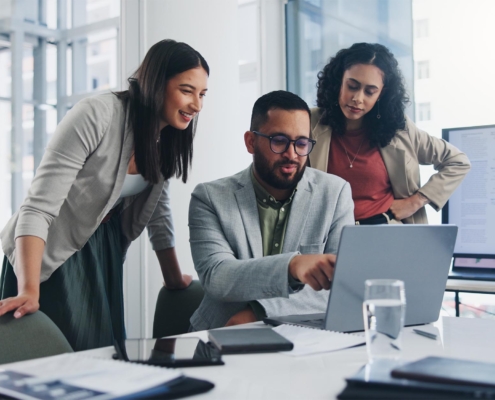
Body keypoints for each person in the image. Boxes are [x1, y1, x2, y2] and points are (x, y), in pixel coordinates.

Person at [0, 39, 209, 351]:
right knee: (63, 362)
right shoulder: (98, 114)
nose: (197, 105)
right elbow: (38, 207)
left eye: (203, 94)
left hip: (103, 251)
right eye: (187, 90)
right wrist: (29, 288)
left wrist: (174, 276)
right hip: (52, 251)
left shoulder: (166, 138)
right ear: (155, 84)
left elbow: (157, 209)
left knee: (101, 357)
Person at [188, 90, 354, 331]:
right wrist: (293, 266)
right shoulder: (209, 198)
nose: (292, 154)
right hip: (219, 333)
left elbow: (342, 285)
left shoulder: (335, 193)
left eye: (301, 143)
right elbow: (218, 277)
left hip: (305, 337)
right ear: (251, 142)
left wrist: (259, 311)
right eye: (279, 141)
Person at [309, 42, 470, 225]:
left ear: (381, 94)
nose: (358, 99)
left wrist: (415, 201)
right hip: (328, 237)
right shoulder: (309, 123)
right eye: (352, 86)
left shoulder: (399, 128)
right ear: (338, 81)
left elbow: (458, 162)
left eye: (370, 92)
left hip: (388, 233)